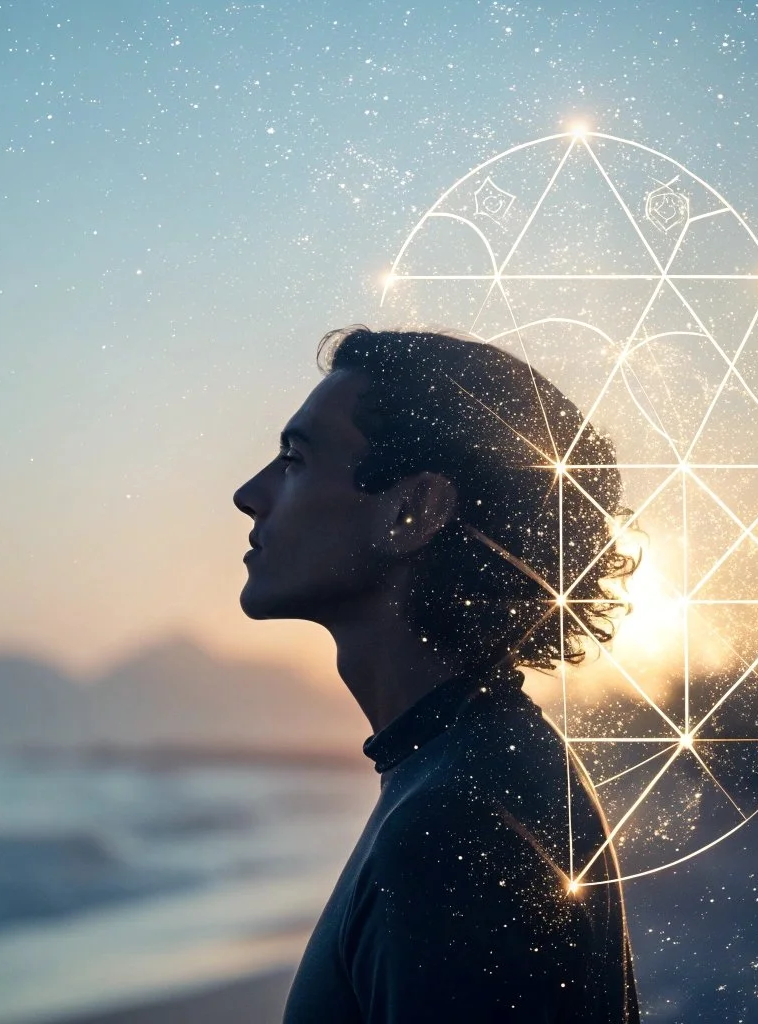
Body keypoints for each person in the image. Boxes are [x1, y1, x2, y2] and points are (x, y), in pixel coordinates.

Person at [233, 327, 641, 1022]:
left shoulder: (453, 830)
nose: (249, 494)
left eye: (295, 460)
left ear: (413, 512)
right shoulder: (462, 773)